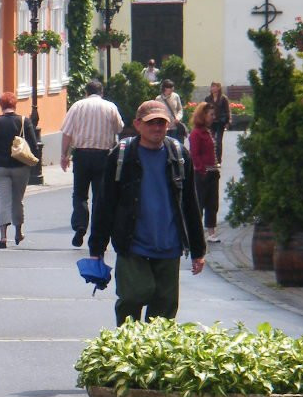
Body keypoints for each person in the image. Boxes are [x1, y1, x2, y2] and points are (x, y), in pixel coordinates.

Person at [88, 99, 207, 324]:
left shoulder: (179, 156)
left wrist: (198, 249)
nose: (157, 128)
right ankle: (127, 343)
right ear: (138, 124)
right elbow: (105, 204)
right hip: (133, 244)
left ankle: (153, 355)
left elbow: (190, 204)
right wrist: (97, 249)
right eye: (151, 123)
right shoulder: (122, 156)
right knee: (134, 295)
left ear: (168, 125)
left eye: (161, 123)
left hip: (169, 245)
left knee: (164, 311)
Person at [58, 79, 124, 247]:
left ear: (86, 92)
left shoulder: (77, 106)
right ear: (101, 92)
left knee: (80, 194)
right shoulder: (110, 107)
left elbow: (67, 133)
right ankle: (96, 230)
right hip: (103, 156)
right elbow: (119, 128)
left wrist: (64, 155)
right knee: (99, 196)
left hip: (81, 154)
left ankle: (80, 225)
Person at [0, 90, 39, 248]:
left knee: (3, 200)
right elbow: (33, 145)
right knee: (18, 199)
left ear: (1, 105)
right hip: (20, 167)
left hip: (0, 167)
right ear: (15, 104)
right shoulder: (24, 121)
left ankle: (3, 236)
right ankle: (18, 231)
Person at [188, 102, 221, 243]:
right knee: (200, 203)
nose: (213, 117)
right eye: (210, 114)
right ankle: (195, 232)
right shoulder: (196, 133)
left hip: (213, 172)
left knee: (212, 203)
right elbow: (194, 155)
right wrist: (202, 170)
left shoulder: (208, 131)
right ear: (203, 115)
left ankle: (211, 232)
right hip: (202, 173)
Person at [205, 81, 231, 161]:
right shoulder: (208, 98)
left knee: (218, 141)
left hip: (220, 122)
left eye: (215, 86)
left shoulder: (223, 98)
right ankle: (212, 158)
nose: (213, 88)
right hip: (211, 123)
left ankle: (219, 159)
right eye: (212, 86)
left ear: (219, 87)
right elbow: (205, 110)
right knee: (211, 141)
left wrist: (228, 121)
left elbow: (227, 110)